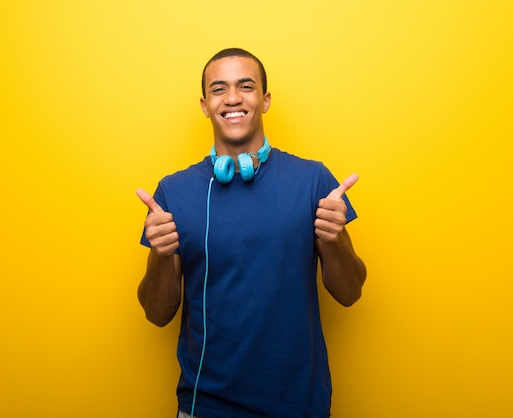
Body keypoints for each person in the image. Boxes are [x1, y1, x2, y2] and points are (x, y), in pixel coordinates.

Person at [136, 48, 366, 418]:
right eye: (219, 89)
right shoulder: (172, 192)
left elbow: (350, 293)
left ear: (265, 99)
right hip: (205, 406)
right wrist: (162, 254)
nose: (232, 98)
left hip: (299, 405)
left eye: (246, 86)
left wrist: (333, 237)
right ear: (205, 105)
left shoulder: (314, 180)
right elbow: (156, 313)